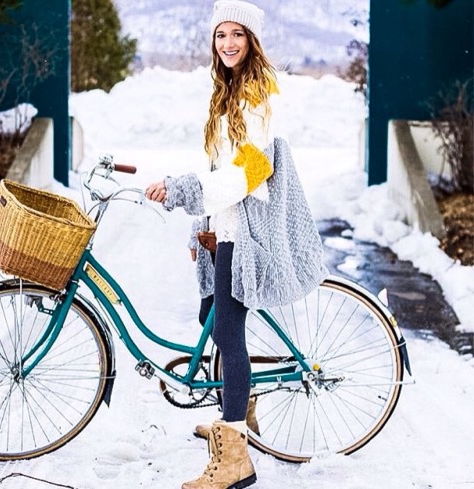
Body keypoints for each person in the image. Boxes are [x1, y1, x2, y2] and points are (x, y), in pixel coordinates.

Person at [145, 1, 328, 487]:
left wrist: (182, 190)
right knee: (213, 317)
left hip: (248, 231)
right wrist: (197, 224)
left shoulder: (259, 93)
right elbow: (217, 169)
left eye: (237, 35)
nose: (227, 43)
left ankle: (234, 460)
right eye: (221, 34)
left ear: (252, 41)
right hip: (224, 225)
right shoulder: (225, 92)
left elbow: (248, 172)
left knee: (227, 332)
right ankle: (237, 409)